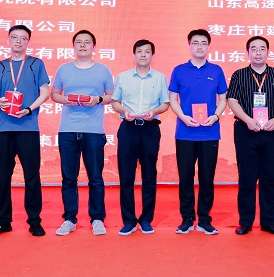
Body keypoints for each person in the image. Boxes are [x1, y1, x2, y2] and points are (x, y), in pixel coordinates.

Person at [0, 25, 51, 237]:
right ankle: (3, 221)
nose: (19, 41)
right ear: (8, 40)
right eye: (14, 37)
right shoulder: (0, 66)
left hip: (28, 127)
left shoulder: (36, 64)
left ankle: (34, 221)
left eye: (23, 38)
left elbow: (45, 92)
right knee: (3, 176)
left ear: (28, 42)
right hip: (3, 129)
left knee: (32, 175)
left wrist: (30, 109)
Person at [227, 36, 274, 236]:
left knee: (268, 177)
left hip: (271, 130)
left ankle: (268, 222)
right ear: (247, 53)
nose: (258, 52)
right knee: (246, 178)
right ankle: (245, 222)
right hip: (246, 130)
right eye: (253, 49)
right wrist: (247, 119)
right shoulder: (239, 75)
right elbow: (232, 100)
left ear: (268, 52)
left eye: (262, 49)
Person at [52, 30, 114, 236]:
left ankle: (97, 218)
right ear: (73, 46)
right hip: (68, 129)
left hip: (93, 130)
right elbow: (54, 94)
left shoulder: (103, 70)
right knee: (69, 177)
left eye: (87, 42)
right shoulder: (64, 69)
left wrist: (97, 100)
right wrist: (65, 99)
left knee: (95, 177)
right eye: (79, 42)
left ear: (94, 47)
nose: (83, 45)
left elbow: (111, 96)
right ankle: (69, 219)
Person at [168, 29, 227, 235]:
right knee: (185, 177)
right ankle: (186, 218)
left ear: (208, 46)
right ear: (189, 45)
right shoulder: (179, 70)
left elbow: (223, 98)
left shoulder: (216, 70)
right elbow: (173, 99)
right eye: (195, 43)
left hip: (210, 132)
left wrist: (216, 116)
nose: (199, 46)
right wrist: (183, 117)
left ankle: (204, 219)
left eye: (203, 43)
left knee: (207, 178)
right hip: (185, 132)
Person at [110, 39, 170, 235]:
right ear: (134, 55)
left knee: (149, 176)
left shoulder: (160, 78)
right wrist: (124, 111)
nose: (143, 55)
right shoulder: (123, 77)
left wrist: (155, 111)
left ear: (153, 55)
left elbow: (165, 103)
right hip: (128, 129)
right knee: (126, 176)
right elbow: (115, 102)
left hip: (150, 130)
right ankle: (128, 220)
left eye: (147, 52)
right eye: (139, 51)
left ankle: (146, 219)